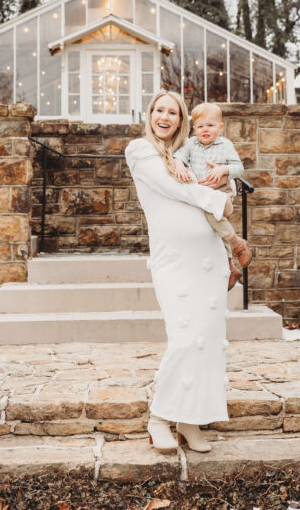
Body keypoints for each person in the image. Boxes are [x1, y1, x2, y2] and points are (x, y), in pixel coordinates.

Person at [125, 91, 233, 454]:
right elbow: (173, 187)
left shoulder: (191, 151)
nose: (165, 117)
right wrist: (219, 200)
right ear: (150, 114)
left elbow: (225, 174)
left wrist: (225, 178)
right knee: (185, 339)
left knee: (207, 342)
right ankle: (159, 418)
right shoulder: (140, 151)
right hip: (174, 259)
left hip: (209, 259)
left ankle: (190, 421)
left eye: (173, 112)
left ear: (182, 120)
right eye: (159, 110)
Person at [173, 102, 252, 290]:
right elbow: (179, 156)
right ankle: (230, 267)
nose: (205, 130)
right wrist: (179, 165)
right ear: (194, 129)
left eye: (210, 125)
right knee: (215, 230)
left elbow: (238, 168)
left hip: (221, 191)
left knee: (211, 213)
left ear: (220, 127)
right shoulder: (190, 143)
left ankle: (237, 244)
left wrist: (223, 169)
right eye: (200, 126)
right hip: (202, 193)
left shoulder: (225, 145)